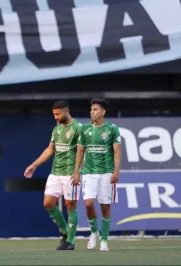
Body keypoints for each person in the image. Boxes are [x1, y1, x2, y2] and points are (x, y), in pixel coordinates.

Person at [24, 100, 83, 250]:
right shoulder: (56, 129)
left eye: (58, 114)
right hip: (56, 172)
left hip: (71, 172)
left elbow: (83, 152)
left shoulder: (78, 128)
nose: (55, 117)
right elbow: (50, 150)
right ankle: (65, 231)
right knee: (48, 203)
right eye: (54, 114)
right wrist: (34, 165)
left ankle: (70, 241)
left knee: (70, 204)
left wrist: (77, 171)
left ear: (66, 111)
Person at [73, 98, 121, 252]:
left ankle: (105, 241)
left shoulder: (112, 129)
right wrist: (76, 172)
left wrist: (116, 171)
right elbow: (80, 151)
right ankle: (94, 232)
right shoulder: (84, 129)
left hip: (106, 172)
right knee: (88, 204)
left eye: (95, 109)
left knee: (105, 206)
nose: (91, 112)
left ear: (103, 112)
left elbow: (117, 151)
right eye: (91, 109)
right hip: (88, 172)